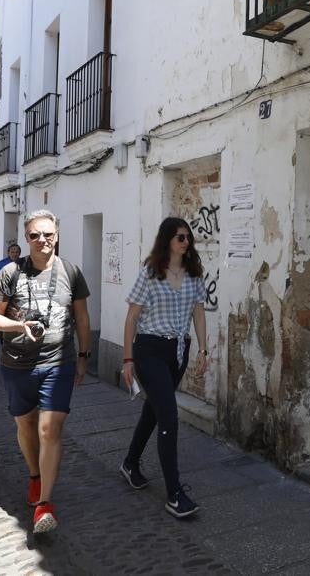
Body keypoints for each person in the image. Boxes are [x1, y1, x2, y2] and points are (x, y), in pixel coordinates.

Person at [0, 209, 91, 534]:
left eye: (48, 234)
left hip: (59, 362)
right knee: (26, 424)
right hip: (16, 363)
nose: (42, 240)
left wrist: (84, 355)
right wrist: (17, 324)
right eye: (34, 235)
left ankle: (44, 503)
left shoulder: (71, 272)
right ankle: (34, 475)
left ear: (57, 235)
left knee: (49, 430)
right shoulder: (11, 273)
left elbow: (82, 317)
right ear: (26, 238)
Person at [120, 217, 210, 519]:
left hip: (178, 352)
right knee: (169, 415)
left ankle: (130, 462)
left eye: (188, 238)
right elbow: (132, 318)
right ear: (168, 240)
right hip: (149, 349)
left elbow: (199, 313)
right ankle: (175, 493)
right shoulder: (150, 273)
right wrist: (128, 359)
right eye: (180, 237)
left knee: (154, 410)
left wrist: (203, 349)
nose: (186, 242)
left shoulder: (194, 274)